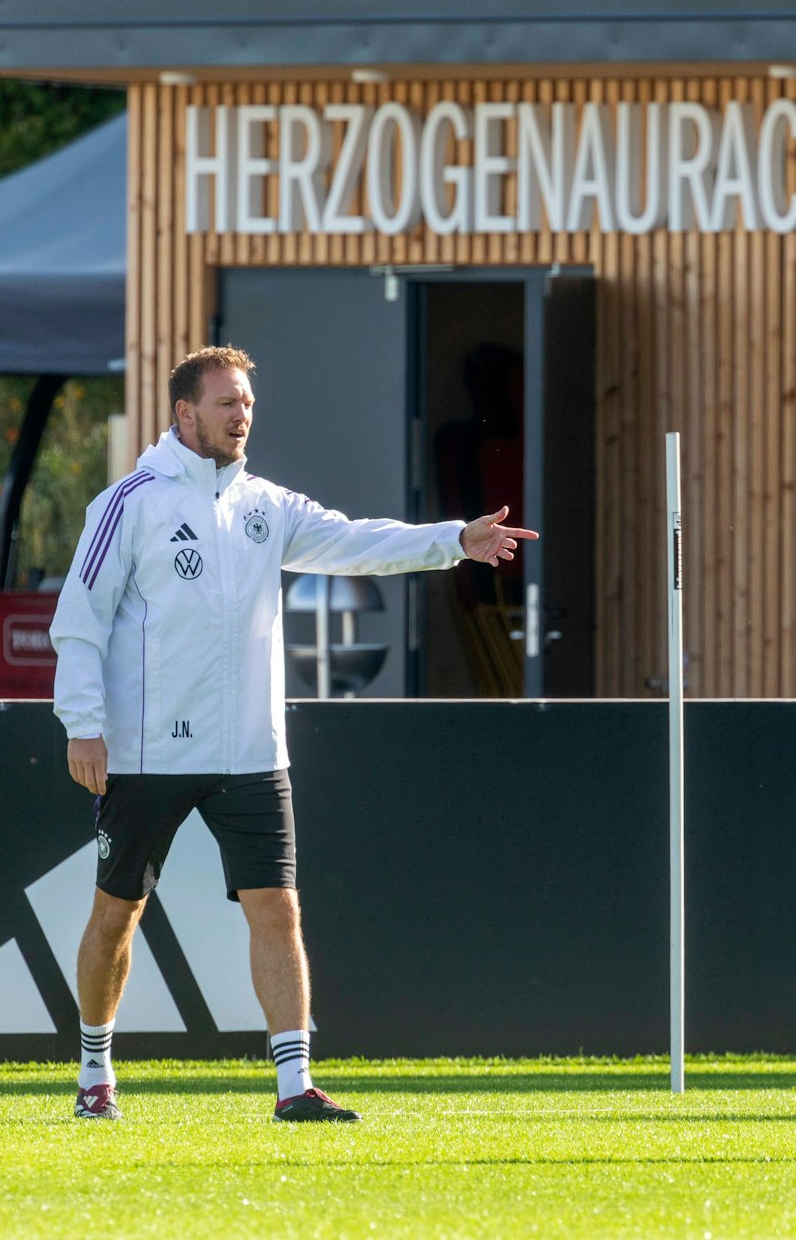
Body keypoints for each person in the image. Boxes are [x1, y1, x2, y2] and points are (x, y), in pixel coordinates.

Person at [49, 345, 536, 1122]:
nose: (242, 415)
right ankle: (95, 1071)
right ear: (185, 414)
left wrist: (454, 539)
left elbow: (354, 541)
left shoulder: (265, 505)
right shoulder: (128, 503)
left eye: (246, 402)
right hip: (146, 753)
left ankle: (293, 1085)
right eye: (226, 403)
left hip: (250, 751)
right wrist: (84, 725)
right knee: (118, 913)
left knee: (278, 908)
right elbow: (79, 623)